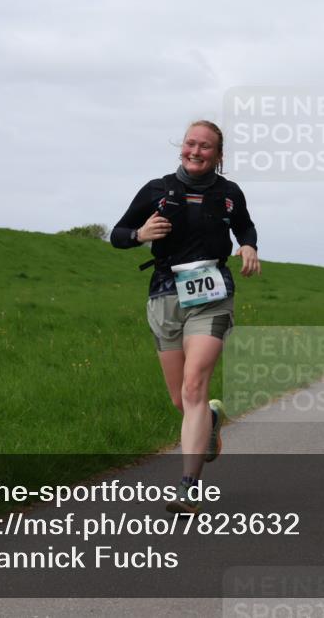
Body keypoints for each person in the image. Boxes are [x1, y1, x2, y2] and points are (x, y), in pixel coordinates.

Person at [111, 120, 260, 514]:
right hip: (164, 294)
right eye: (190, 144)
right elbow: (118, 233)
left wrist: (248, 246)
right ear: (182, 147)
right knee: (182, 398)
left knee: (195, 387)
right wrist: (140, 234)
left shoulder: (229, 194)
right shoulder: (157, 190)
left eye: (205, 146)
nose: (196, 151)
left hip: (212, 295)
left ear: (218, 155)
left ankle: (188, 487)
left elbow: (244, 224)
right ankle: (210, 420)